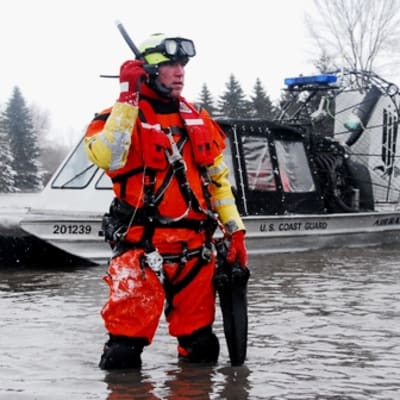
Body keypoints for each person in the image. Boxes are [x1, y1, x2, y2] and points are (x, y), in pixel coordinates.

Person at [84, 33, 248, 370]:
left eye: (182, 65)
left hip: (195, 253)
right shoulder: (115, 118)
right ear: (147, 70)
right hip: (141, 252)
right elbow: (107, 157)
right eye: (170, 64)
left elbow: (219, 182)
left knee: (202, 349)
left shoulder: (198, 118)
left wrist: (235, 231)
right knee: (122, 356)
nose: (180, 72)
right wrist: (127, 99)